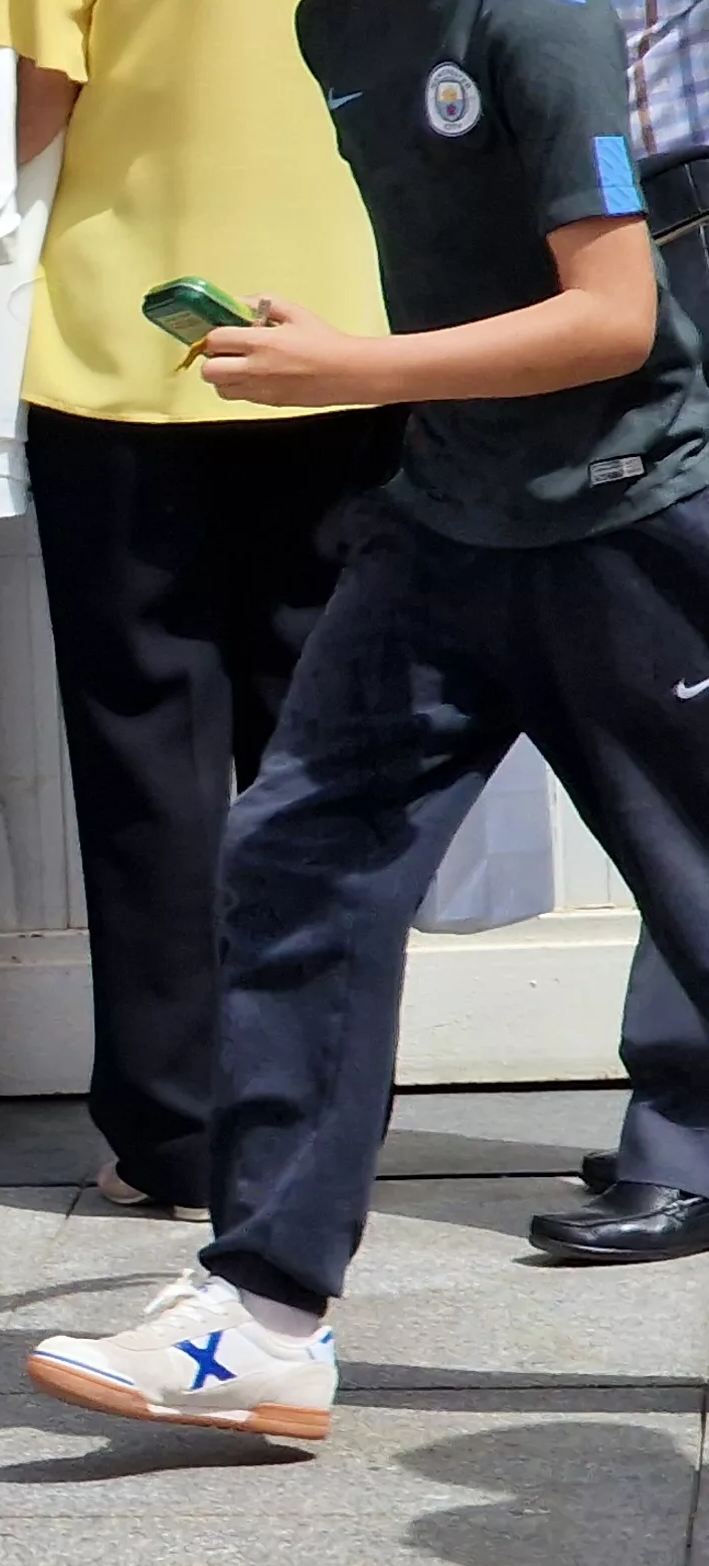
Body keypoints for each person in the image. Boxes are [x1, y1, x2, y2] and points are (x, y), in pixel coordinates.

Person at [30, 0, 709, 1439]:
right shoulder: (331, 23)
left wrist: (353, 373)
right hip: (444, 519)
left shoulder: (533, 20)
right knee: (295, 861)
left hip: (633, 519)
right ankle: (265, 1311)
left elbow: (615, 315)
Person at [0, 0, 404, 1222]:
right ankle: (318, 1110)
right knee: (326, 763)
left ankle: (176, 1130)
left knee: (143, 750)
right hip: (350, 321)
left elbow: (24, 99)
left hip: (127, 325)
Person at [539, 0, 709, 1261]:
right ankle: (683, 1115)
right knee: (671, 685)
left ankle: (683, 1124)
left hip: (672, 202)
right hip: (619, 214)